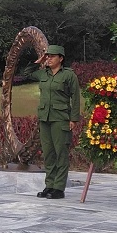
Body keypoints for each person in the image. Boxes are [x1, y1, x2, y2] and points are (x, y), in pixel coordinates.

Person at [27, 44, 81, 199]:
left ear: (61, 58)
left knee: (61, 153)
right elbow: (27, 73)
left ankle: (59, 188)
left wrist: (74, 118)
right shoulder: (43, 74)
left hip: (61, 119)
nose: (49, 58)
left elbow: (75, 97)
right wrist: (39, 60)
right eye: (47, 56)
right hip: (45, 118)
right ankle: (49, 185)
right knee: (48, 154)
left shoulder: (69, 75)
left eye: (52, 56)